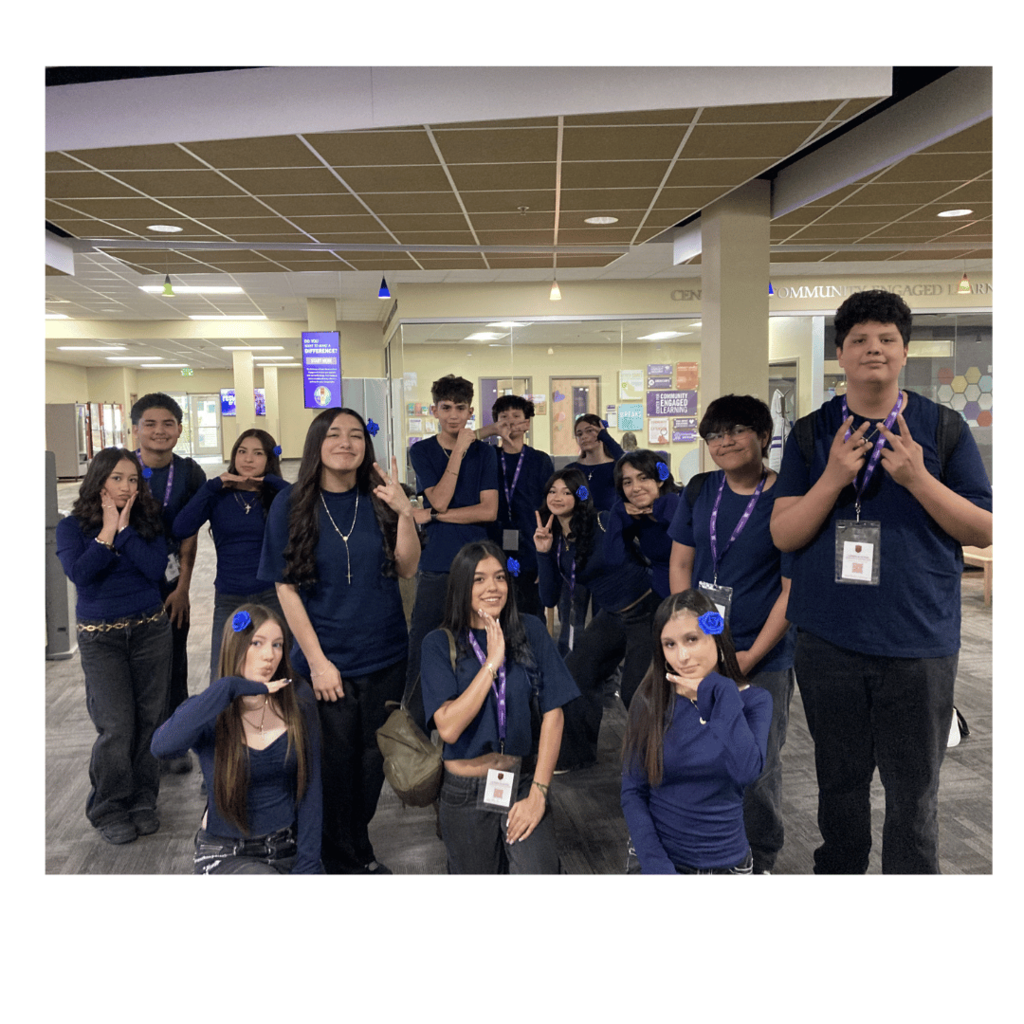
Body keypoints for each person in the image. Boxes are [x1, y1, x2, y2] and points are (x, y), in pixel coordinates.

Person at [771, 289, 992, 874]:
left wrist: (919, 479)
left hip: (918, 642)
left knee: (913, 794)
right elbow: (784, 534)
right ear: (840, 354)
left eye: (887, 340)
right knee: (837, 785)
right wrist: (832, 479)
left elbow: (984, 529)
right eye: (860, 341)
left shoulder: (941, 429)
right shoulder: (813, 435)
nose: (874, 350)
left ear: (904, 351)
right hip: (829, 640)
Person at [259, 407, 419, 874]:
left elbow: (408, 567)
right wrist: (317, 661)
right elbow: (285, 587)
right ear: (317, 444)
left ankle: (353, 845)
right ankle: (343, 858)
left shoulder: (381, 498)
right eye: (334, 434)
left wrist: (405, 513)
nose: (346, 442)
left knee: (372, 765)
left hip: (386, 654)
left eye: (355, 435)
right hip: (326, 661)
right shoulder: (291, 503)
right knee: (332, 767)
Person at [667, 394, 796, 875]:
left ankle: (760, 854)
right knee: (696, 750)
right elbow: (681, 563)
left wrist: (745, 657)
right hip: (699, 648)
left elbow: (791, 589)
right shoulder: (700, 490)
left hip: (762, 655)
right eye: (715, 436)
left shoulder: (787, 497)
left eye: (737, 431)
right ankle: (706, 844)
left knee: (756, 762)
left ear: (763, 436)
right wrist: (688, 638)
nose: (725, 442)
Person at [420, 541, 579, 873]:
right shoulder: (439, 643)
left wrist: (539, 792)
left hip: (518, 780)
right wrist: (491, 662)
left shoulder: (530, 629)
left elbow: (554, 711)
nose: (492, 587)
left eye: (499, 577)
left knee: (540, 872)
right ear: (462, 586)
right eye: (479, 579)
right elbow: (448, 727)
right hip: (464, 791)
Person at [151, 603, 322, 873]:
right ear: (236, 646)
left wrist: (309, 863)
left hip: (287, 846)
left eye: (277, 645)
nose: (269, 655)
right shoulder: (207, 709)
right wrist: (229, 687)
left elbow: (311, 789)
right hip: (226, 854)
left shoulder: (297, 700)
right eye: (257, 643)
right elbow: (162, 747)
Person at [56, 447, 171, 844]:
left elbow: (156, 570)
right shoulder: (72, 527)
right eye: (117, 478)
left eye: (133, 479)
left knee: (148, 720)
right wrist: (106, 531)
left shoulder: (148, 520)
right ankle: (108, 805)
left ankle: (142, 799)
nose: (125, 486)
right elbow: (81, 574)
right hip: (100, 638)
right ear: (99, 482)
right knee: (116, 726)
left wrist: (125, 530)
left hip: (150, 631)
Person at [621, 590, 772, 874]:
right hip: (660, 858)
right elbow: (632, 792)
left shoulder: (754, 701)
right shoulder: (650, 700)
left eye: (692, 639)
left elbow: (746, 771)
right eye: (669, 644)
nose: (682, 656)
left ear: (716, 637)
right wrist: (657, 867)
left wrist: (719, 691)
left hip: (728, 863)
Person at [535, 468, 657, 770]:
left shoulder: (604, 520)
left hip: (648, 610)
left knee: (635, 693)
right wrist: (543, 552)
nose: (558, 497)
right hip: (613, 616)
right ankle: (578, 755)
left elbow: (651, 520)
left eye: (566, 491)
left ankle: (659, 764)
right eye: (552, 491)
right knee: (574, 674)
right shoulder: (556, 539)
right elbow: (548, 598)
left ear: (580, 495)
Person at [406, 374, 499, 727]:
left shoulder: (486, 454)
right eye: (446, 408)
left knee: (477, 644)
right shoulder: (422, 450)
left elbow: (487, 511)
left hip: (478, 563)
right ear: (434, 410)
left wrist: (434, 516)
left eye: (461, 408)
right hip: (437, 565)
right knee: (423, 645)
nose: (454, 416)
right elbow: (441, 496)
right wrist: (459, 449)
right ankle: (414, 729)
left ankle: (479, 720)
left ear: (470, 411)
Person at [172, 428, 289, 683]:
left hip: (273, 595)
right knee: (223, 673)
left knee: (277, 670)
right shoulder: (218, 496)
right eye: (242, 452)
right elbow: (181, 527)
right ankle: (228, 723)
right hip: (230, 597)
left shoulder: (278, 496)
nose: (248, 459)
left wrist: (271, 482)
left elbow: (306, 506)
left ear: (269, 459)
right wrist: (214, 485)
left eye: (258, 453)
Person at [130, 392, 207, 774]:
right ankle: (138, 749)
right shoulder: (119, 467)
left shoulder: (190, 472)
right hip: (128, 582)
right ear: (136, 429)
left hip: (171, 579)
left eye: (168, 424)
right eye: (150, 424)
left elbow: (190, 534)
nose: (160, 431)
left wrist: (183, 589)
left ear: (179, 429)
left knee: (174, 662)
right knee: (136, 667)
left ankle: (173, 744)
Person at [477, 394, 555, 619]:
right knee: (495, 610)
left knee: (530, 613)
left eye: (516, 416)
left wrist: (546, 560)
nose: (510, 422)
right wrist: (490, 431)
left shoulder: (540, 460)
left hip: (531, 545)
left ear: (527, 423)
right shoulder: (487, 456)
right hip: (493, 543)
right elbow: (464, 441)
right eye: (503, 417)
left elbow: (550, 509)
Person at [608, 449, 682, 601]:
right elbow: (613, 559)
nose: (635, 488)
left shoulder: (680, 503)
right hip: (660, 598)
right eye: (627, 482)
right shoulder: (635, 516)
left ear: (660, 480)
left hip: (693, 596)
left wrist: (664, 505)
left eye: (643, 478)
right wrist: (617, 513)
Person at [564, 413, 625, 512]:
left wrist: (607, 438)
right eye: (579, 434)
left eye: (589, 431)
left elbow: (628, 462)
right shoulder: (570, 470)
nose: (584, 437)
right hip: (579, 525)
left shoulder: (615, 467)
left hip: (608, 525)